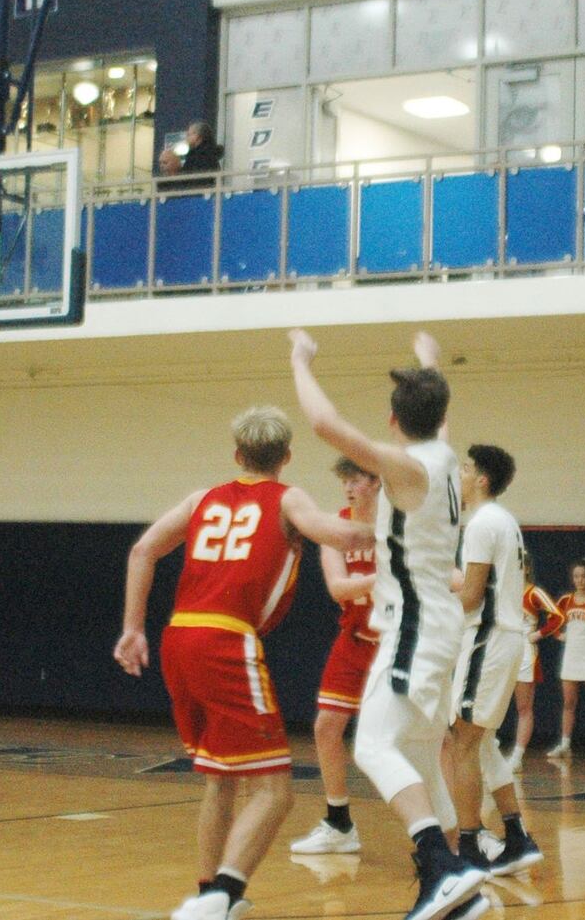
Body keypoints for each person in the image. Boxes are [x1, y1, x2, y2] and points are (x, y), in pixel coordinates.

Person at [113, 406, 372, 920]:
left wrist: (132, 628)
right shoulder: (287, 496)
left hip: (177, 637)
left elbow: (143, 550)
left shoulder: (201, 497)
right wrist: (404, 529)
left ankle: (208, 890)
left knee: (220, 776)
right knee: (276, 791)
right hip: (227, 640)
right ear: (288, 456)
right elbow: (340, 535)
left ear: (237, 455)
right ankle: (223, 896)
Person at [289, 328, 489, 920]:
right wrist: (429, 360)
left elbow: (327, 424)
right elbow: (439, 415)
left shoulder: (403, 466)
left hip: (415, 626)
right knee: (423, 757)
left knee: (374, 745)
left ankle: (440, 868)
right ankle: (458, 887)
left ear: (393, 419)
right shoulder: (444, 455)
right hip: (437, 623)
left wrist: (300, 360)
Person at [449, 443, 543, 875]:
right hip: (505, 638)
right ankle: (517, 836)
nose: (460, 474)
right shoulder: (502, 520)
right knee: (481, 740)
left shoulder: (482, 523)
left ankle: (467, 845)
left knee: (462, 741)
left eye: (466, 468)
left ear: (482, 479)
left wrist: (432, 595)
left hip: (488, 637)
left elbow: (470, 597)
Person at [290, 458, 380, 856]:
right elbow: (337, 588)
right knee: (327, 726)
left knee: (430, 739)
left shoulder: (398, 525)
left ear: (376, 483)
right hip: (356, 639)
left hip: (397, 642)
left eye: (355, 480)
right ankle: (339, 822)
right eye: (343, 480)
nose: (347, 487)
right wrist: (384, 578)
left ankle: (457, 827)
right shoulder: (336, 529)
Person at [545, 559, 585, 766]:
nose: (580, 580)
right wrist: (561, 636)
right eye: (576, 576)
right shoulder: (565, 600)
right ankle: (565, 744)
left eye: (583, 576)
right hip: (571, 655)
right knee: (569, 703)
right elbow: (551, 622)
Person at [505, 564, 563, 772]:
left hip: (525, 653)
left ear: (527, 568)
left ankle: (517, 757)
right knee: (494, 703)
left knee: (523, 707)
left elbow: (558, 616)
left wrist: (537, 634)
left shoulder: (534, 593)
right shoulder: (502, 589)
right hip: (502, 649)